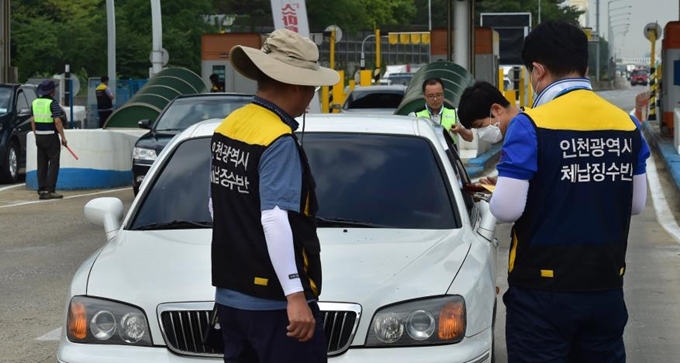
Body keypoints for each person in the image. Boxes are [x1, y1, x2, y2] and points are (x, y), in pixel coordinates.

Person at [490, 21, 650, 363]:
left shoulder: (530, 124)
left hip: (541, 292)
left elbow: (506, 209)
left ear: (537, 70)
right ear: (586, 67)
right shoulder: (627, 124)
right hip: (605, 285)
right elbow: (636, 204)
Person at [210, 28, 339, 363]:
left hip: (231, 297)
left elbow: (216, 205)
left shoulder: (229, 125)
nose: (312, 95)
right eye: (311, 86)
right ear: (296, 84)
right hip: (274, 306)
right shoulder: (278, 139)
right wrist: (295, 295)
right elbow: (275, 218)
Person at [457, 81, 521, 185]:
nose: (480, 134)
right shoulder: (521, 126)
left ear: (496, 110)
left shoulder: (521, 135)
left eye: (480, 125)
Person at [30, 80, 68, 200]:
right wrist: (63, 137)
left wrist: (36, 135)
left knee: (41, 164)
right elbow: (57, 121)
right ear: (52, 91)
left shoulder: (34, 103)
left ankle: (42, 190)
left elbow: (32, 121)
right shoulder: (53, 104)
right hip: (51, 137)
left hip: (40, 137)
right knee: (54, 162)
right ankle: (50, 190)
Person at [408, 77, 473, 143]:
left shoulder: (455, 112)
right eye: (431, 96)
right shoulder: (415, 116)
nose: (435, 99)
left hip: (448, 152)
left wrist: (460, 130)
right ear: (425, 96)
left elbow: (470, 138)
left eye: (438, 95)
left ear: (443, 94)